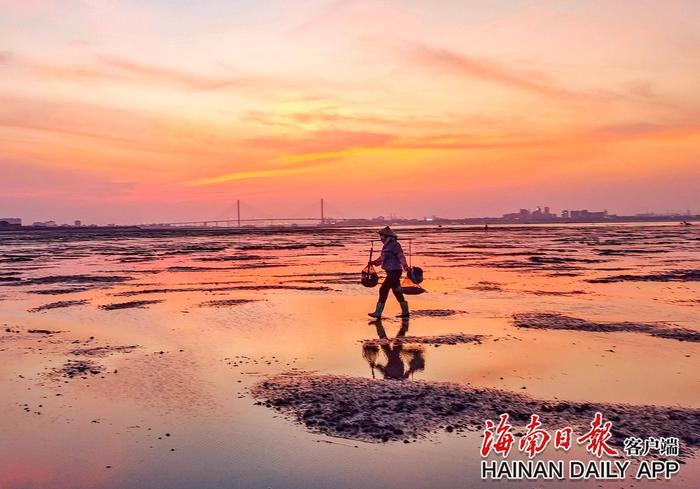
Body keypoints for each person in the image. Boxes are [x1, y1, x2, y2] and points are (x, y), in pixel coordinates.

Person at [368, 226, 410, 318]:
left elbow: (401, 255)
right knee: (396, 291)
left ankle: (378, 312)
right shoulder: (386, 245)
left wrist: (405, 265)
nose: (380, 238)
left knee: (383, 289)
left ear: (386, 236)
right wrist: (374, 262)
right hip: (390, 271)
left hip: (394, 271)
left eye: (381, 236)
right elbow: (383, 258)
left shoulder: (395, 245)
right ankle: (405, 312)